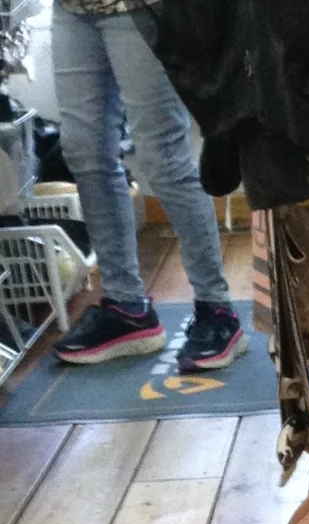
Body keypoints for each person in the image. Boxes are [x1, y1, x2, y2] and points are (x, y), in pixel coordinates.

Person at [48, 0, 245, 369]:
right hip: (72, 9)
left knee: (163, 155)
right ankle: (127, 309)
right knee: (85, 152)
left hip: (141, 7)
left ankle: (217, 309)